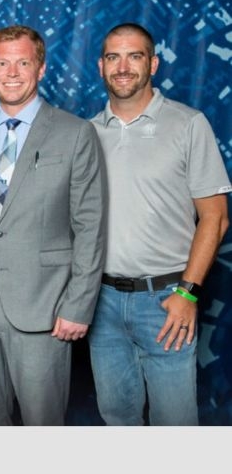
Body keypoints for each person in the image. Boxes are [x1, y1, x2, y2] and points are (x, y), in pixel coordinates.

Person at [0, 24, 107, 426]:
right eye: (3, 62)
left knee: (43, 425)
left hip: (46, 307)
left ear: (41, 69)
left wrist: (78, 305)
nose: (12, 72)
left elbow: (90, 226)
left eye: (23, 62)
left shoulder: (76, 133)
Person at [87, 22, 231, 425]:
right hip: (103, 302)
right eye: (113, 57)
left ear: (153, 64)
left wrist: (187, 294)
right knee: (117, 419)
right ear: (101, 66)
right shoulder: (86, 133)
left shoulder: (188, 124)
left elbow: (215, 218)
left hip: (166, 301)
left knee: (175, 425)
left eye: (134, 56)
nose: (123, 66)